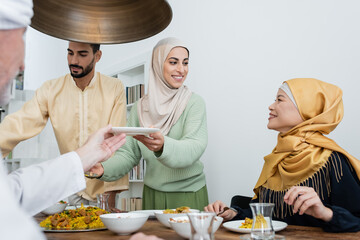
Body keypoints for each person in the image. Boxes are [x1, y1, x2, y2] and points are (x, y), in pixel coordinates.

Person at [205, 78, 360, 232]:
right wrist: (233, 213)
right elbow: (266, 218)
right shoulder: (276, 159)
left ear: (306, 109)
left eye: (280, 100)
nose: (271, 106)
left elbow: (356, 221)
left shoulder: (332, 160)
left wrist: (325, 213)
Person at [0, 40, 129, 207]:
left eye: (82, 54)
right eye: (70, 53)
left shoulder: (114, 88)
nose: (73, 61)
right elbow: (19, 124)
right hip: (71, 184)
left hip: (103, 188)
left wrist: (111, 194)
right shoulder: (50, 89)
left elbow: (117, 142)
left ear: (97, 56)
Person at [90, 37, 209, 210]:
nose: (181, 69)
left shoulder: (194, 102)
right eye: (173, 62)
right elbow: (129, 155)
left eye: (185, 63)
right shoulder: (141, 107)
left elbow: (194, 148)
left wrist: (162, 146)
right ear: (158, 64)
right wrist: (102, 169)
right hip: (152, 195)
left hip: (188, 195)